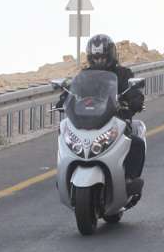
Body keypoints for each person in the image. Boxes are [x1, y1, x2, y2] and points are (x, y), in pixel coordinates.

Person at [57, 34, 146, 184]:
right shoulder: (84, 76)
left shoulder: (123, 73)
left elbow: (132, 91)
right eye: (96, 58)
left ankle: (130, 179)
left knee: (136, 143)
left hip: (116, 120)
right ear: (90, 58)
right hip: (87, 120)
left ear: (111, 55)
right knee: (63, 133)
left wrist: (135, 100)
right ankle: (63, 176)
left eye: (103, 57)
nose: (99, 61)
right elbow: (73, 91)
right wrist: (63, 100)